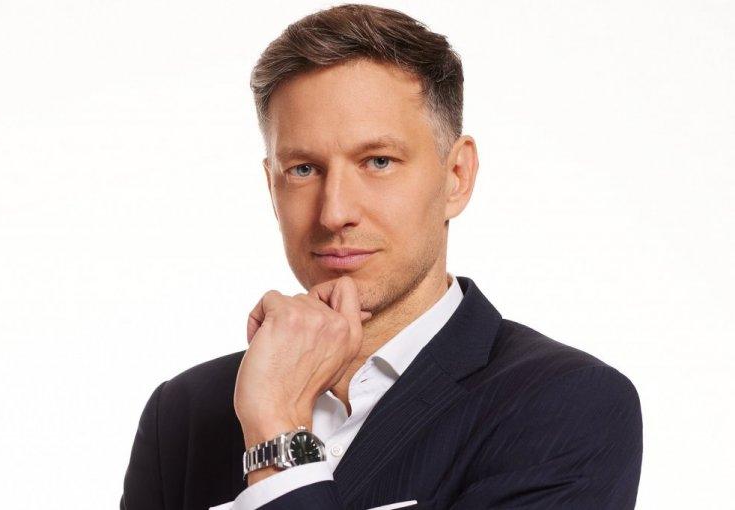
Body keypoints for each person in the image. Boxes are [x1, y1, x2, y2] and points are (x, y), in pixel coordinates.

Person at [120, 4, 643, 509]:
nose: (335, 212)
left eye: (378, 162)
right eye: (303, 169)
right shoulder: (184, 415)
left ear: (456, 177)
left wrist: (275, 430)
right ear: (270, 187)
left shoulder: (568, 403)